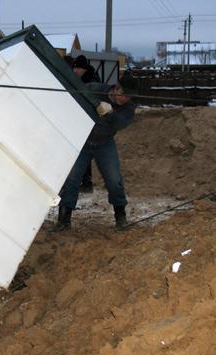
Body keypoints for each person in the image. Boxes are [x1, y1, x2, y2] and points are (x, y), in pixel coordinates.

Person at [56, 79, 136, 230]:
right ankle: (63, 220)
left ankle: (121, 217)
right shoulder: (94, 88)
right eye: (123, 95)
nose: (125, 100)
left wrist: (111, 112)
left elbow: (120, 123)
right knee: (71, 179)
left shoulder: (128, 108)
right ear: (116, 88)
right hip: (82, 140)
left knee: (114, 180)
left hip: (104, 143)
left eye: (128, 98)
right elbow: (74, 100)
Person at [71, 55, 100, 193]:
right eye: (74, 67)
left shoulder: (91, 81)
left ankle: (86, 182)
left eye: (78, 68)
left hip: (89, 122)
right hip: (78, 120)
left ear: (84, 69)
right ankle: (82, 182)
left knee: (84, 152)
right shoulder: (77, 80)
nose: (75, 70)